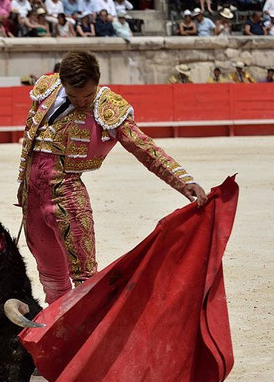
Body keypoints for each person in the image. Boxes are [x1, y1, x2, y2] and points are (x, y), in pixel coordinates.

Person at [17, 50, 206, 304]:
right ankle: (58, 334)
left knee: (85, 280)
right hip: (33, 199)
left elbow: (144, 148)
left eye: (88, 95)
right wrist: (22, 187)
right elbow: (30, 145)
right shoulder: (46, 89)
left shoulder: (107, 107)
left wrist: (183, 181)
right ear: (62, 83)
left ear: (98, 81)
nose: (82, 102)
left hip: (68, 198)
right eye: (74, 96)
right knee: (50, 277)